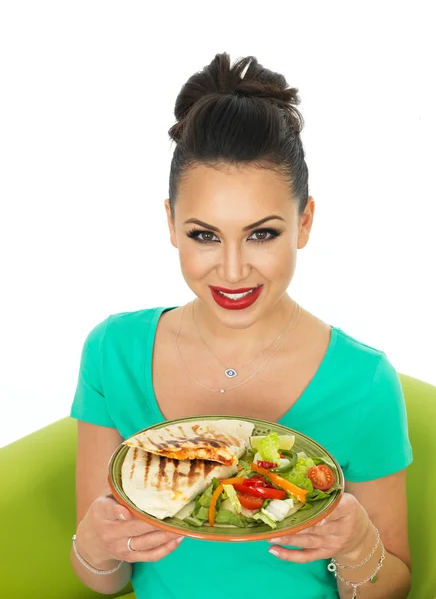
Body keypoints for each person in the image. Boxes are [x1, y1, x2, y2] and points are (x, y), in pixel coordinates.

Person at [70, 52, 413, 599]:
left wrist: (356, 545)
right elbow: (106, 583)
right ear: (171, 225)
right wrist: (93, 544)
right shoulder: (114, 352)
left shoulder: (364, 381)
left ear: (304, 224)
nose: (232, 270)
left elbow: (391, 587)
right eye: (205, 235)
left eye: (262, 234)